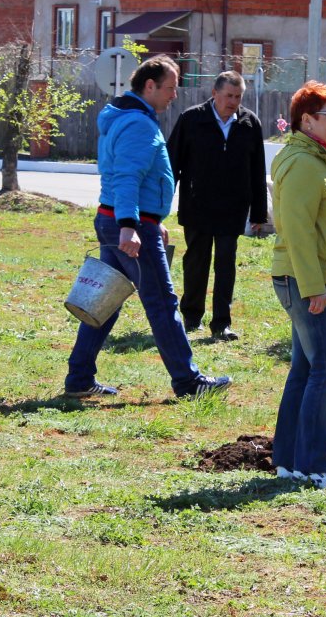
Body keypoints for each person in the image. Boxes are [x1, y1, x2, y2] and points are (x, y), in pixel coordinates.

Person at [65, 55, 232, 400]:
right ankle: (188, 382)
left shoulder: (125, 118)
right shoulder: (139, 124)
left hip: (122, 219)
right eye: (170, 88)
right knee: (161, 301)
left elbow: (132, 179)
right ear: (150, 86)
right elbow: (127, 177)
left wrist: (153, 221)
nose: (175, 95)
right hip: (127, 222)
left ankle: (79, 379)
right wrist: (132, 225)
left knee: (105, 299)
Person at [269, 82, 326, 491]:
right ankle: (314, 467)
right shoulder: (304, 164)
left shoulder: (318, 160)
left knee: (306, 369)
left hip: (316, 279)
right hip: (310, 280)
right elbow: (298, 230)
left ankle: (290, 463)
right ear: (306, 121)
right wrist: (314, 288)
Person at [167, 70, 267, 340]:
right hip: (197, 205)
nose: (233, 101)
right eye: (228, 96)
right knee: (196, 261)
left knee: (226, 264)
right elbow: (171, 164)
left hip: (233, 208)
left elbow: (257, 171)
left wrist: (258, 212)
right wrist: (160, 203)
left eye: (238, 96)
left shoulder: (249, 123)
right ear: (215, 93)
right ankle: (191, 316)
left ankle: (221, 323)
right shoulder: (191, 119)